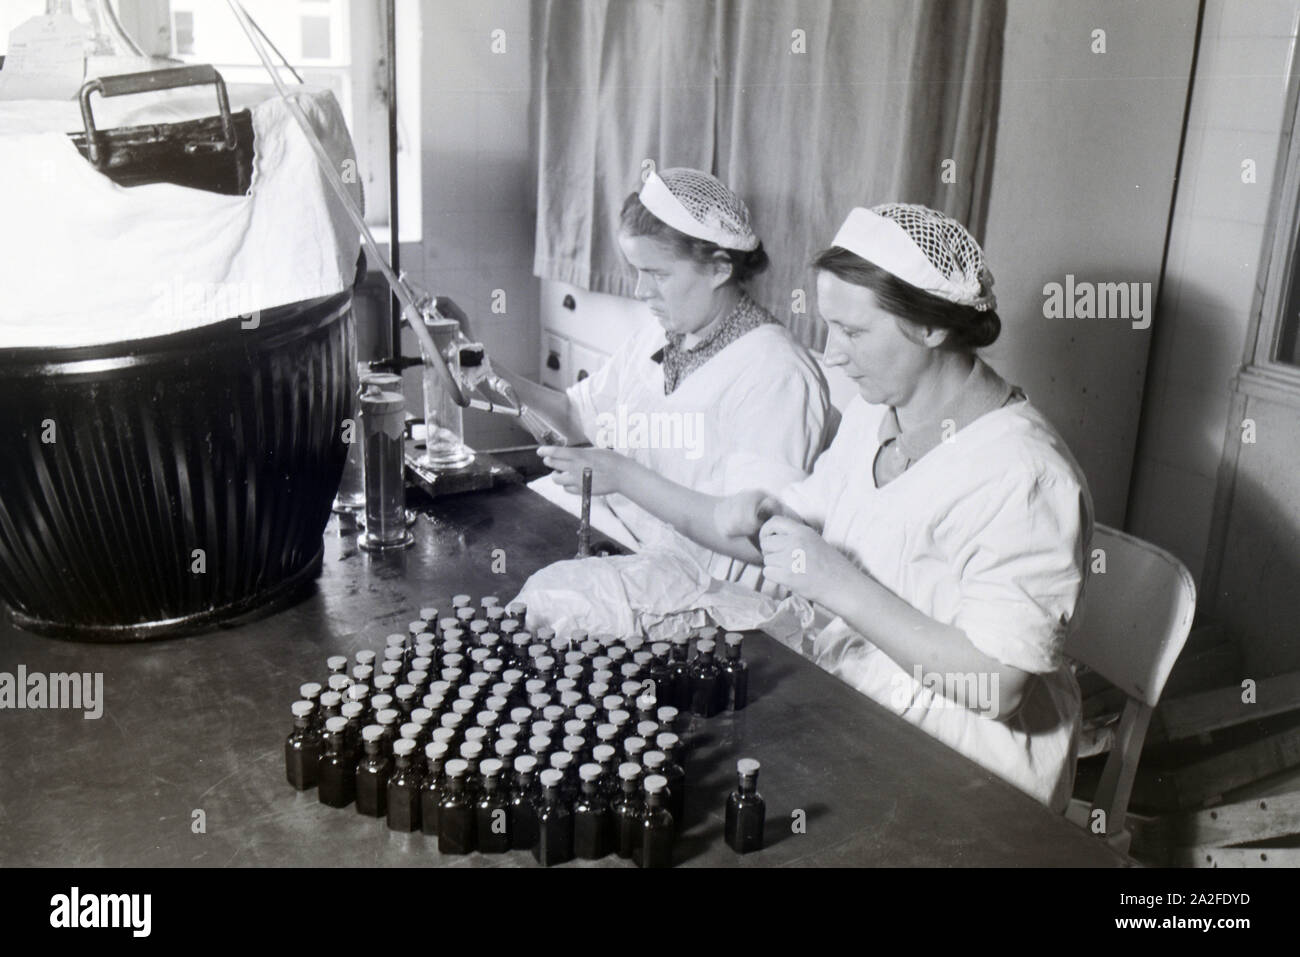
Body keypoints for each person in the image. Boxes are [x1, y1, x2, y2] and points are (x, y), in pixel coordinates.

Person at [541, 203, 1093, 811]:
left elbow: (999, 686)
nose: (831, 354)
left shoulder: (1025, 474)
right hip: (857, 699)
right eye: (830, 326)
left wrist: (835, 580)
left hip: (965, 767)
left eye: (853, 332)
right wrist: (745, 517)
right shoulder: (877, 414)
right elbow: (789, 541)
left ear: (932, 328)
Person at [483, 167, 836, 587]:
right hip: (615, 538)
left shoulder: (777, 374)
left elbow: (758, 541)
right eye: (635, 270)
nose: (639, 290)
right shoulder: (663, 333)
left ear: (719, 269)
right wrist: (479, 367)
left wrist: (622, 475)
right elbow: (573, 415)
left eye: (657, 274)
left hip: (695, 587)